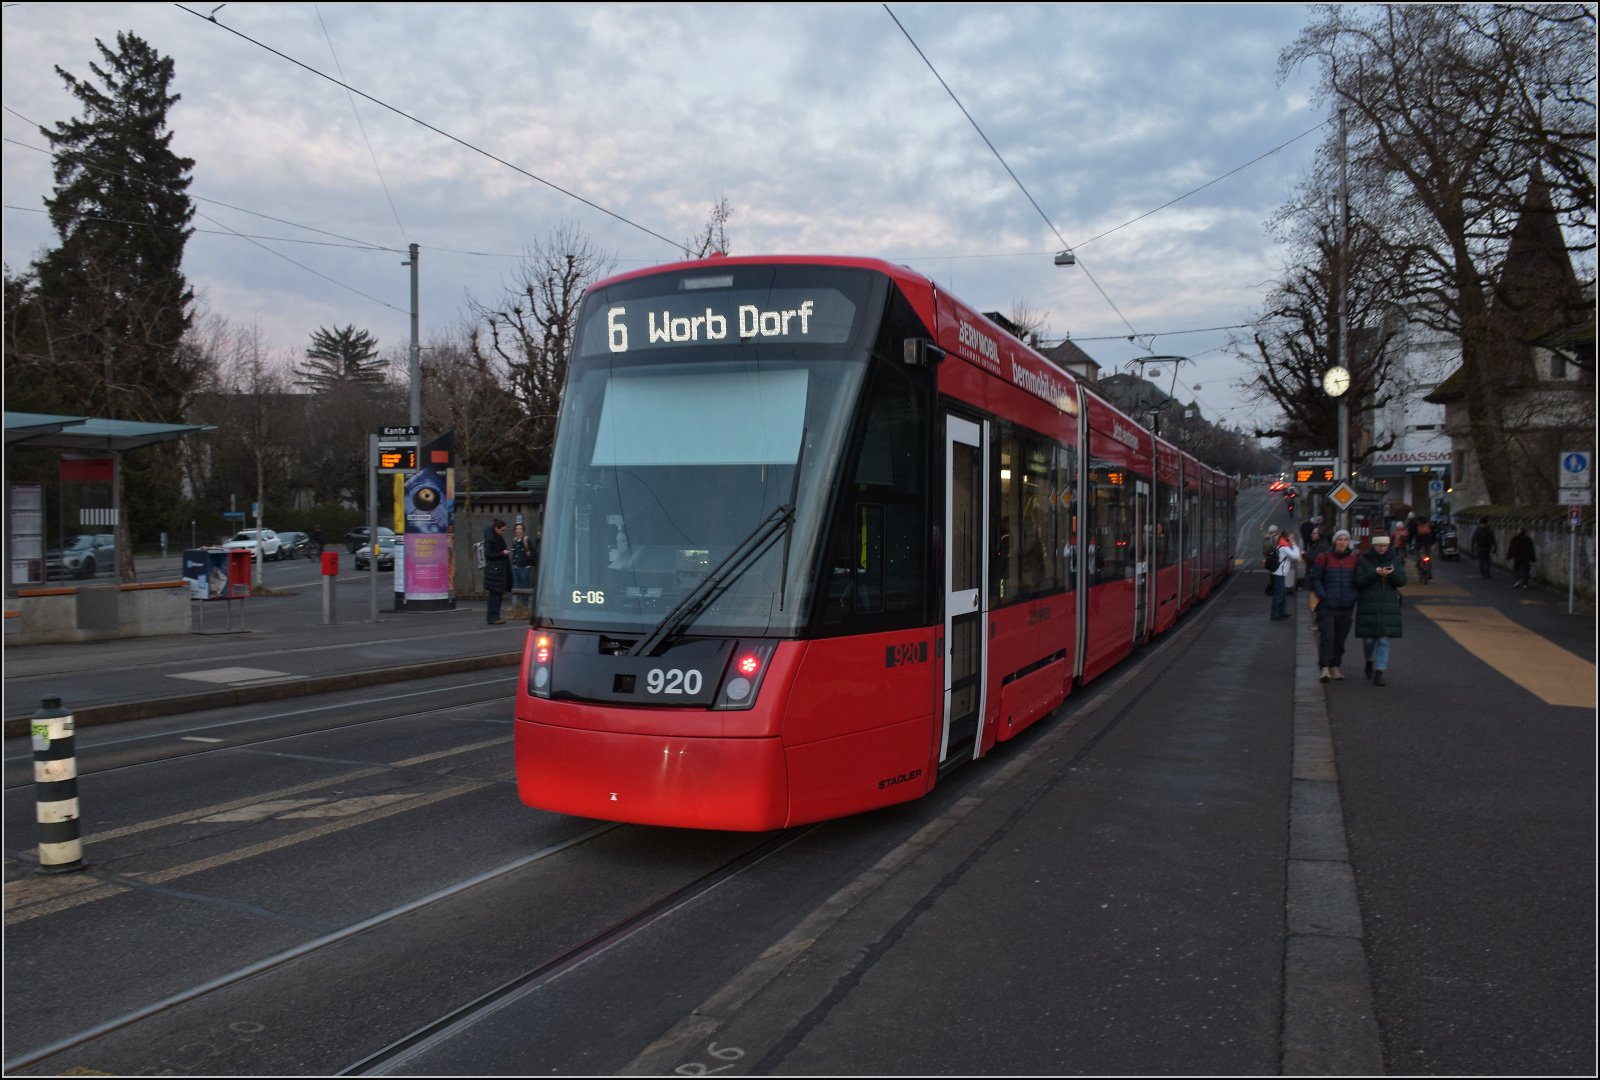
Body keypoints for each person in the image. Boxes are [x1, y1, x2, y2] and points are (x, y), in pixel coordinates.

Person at [1355, 533, 1407, 686]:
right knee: (1369, 639)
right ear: (1374, 546)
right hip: (1368, 603)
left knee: (1384, 640)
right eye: (1379, 546)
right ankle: (1369, 660)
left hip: (1388, 604)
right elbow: (1358, 581)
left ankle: (1380, 671)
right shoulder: (1364, 561)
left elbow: (1402, 581)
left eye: (1385, 546)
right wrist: (1374, 573)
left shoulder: (1396, 560)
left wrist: (1392, 574)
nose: (1382, 549)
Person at [1310, 529, 1361, 681]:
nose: (1343, 542)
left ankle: (1335, 666)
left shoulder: (1353, 560)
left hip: (1346, 606)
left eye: (1346, 540)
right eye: (1340, 539)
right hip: (1327, 606)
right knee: (1327, 637)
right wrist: (1323, 595)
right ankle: (1325, 667)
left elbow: (1358, 580)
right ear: (1334, 541)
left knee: (1340, 639)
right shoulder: (1323, 557)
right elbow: (1316, 578)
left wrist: (1353, 596)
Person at [482, 518, 511, 625]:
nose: (503, 533)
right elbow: (488, 554)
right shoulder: (491, 539)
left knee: (497, 595)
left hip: (497, 571)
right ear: (496, 528)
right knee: (494, 596)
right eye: (502, 530)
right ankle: (492, 617)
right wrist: (502, 554)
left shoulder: (496, 538)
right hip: (494, 571)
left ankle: (495, 616)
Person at [1270, 530, 1301, 620]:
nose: (1292, 540)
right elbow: (1295, 556)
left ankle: (1282, 611)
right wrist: (1294, 545)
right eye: (1291, 538)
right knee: (1279, 594)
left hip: (1279, 573)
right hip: (1279, 573)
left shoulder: (1281, 545)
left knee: (1282, 594)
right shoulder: (1285, 548)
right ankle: (1275, 613)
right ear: (1286, 538)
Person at [509, 522, 534, 594]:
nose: (518, 530)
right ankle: (515, 603)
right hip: (515, 567)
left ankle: (524, 604)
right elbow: (514, 552)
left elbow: (533, 552)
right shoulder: (514, 541)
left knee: (525, 586)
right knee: (514, 586)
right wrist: (512, 561)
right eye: (517, 529)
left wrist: (527, 558)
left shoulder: (526, 540)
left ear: (523, 530)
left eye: (520, 529)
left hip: (524, 567)